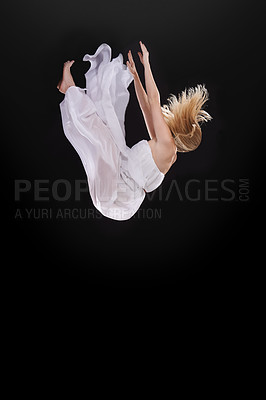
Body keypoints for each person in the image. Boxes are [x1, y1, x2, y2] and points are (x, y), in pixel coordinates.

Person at [57, 41, 212, 220]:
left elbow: (154, 100)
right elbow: (147, 107)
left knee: (102, 138)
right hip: (122, 191)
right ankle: (70, 91)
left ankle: (69, 89)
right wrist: (136, 76)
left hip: (118, 194)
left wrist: (146, 63)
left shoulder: (168, 145)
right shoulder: (165, 146)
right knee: (107, 125)